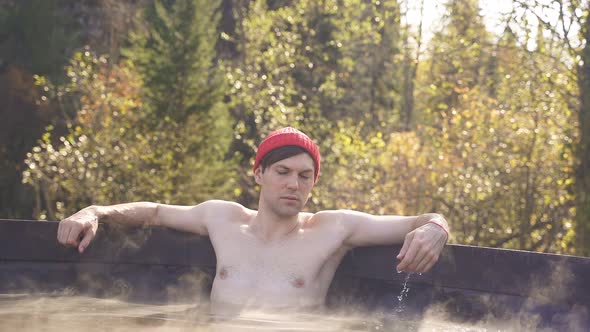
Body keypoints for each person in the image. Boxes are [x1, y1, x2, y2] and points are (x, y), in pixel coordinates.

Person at [57, 127, 449, 315]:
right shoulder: (223, 219)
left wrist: (436, 228)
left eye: (304, 175)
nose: (293, 184)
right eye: (282, 171)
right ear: (258, 173)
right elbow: (156, 211)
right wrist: (95, 212)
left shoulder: (334, 229)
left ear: (314, 181)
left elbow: (421, 218)